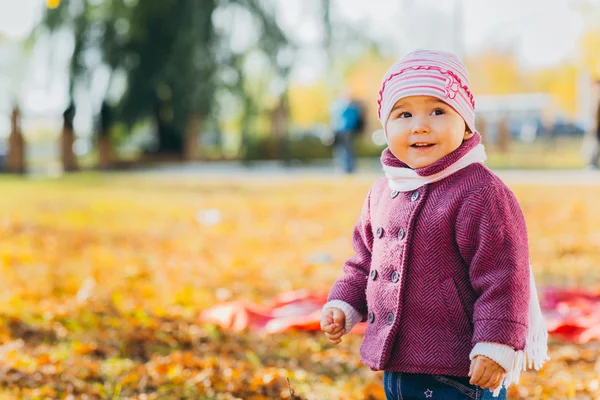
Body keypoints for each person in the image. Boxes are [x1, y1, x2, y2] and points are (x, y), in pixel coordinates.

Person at [320, 50, 549, 399]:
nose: (420, 125)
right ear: (386, 126)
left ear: (466, 122)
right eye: (404, 114)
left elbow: (505, 275)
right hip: (400, 362)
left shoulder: (480, 192)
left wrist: (495, 342)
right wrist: (345, 303)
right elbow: (363, 262)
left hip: (462, 369)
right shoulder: (383, 192)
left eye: (438, 111)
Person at [330, 94, 364, 174]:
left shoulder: (348, 108)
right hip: (342, 130)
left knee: (346, 149)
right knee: (343, 149)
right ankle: (345, 167)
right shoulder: (351, 108)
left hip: (346, 130)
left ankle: (348, 168)